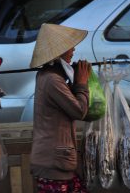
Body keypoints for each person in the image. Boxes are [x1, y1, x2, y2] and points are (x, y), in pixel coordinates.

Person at [29, 23, 91, 193]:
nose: (73, 51)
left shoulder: (49, 76)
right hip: (53, 164)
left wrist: (74, 78)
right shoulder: (52, 80)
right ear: (59, 52)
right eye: (70, 47)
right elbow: (79, 111)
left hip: (55, 162)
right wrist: (82, 84)